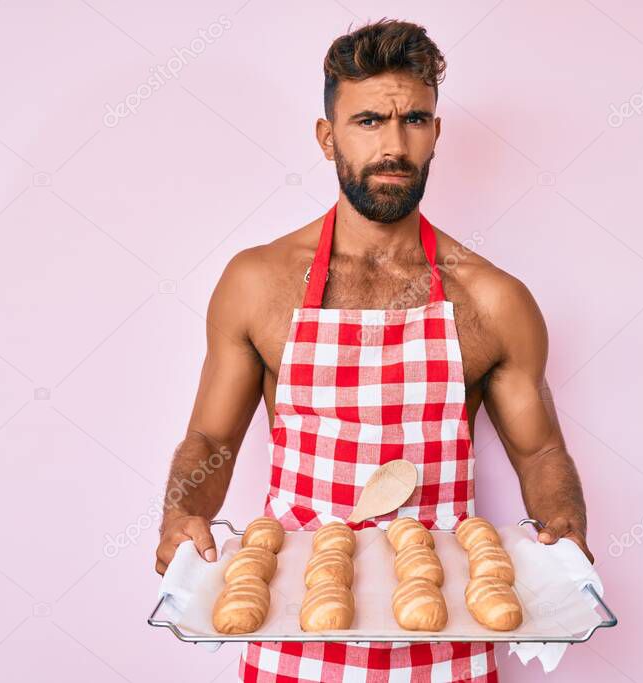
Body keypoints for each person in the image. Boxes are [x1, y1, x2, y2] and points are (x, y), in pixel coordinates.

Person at [155, 18, 593, 682]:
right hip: (291, 631)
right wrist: (181, 513)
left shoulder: (494, 299)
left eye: (414, 119)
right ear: (327, 136)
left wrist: (564, 534)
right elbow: (212, 438)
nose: (393, 144)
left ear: (436, 133)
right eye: (367, 122)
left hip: (448, 633)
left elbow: (540, 452)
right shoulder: (258, 282)